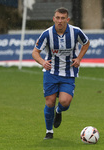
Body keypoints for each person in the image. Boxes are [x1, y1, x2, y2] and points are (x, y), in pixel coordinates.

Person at [32, 7, 90, 139]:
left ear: (67, 20)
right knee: (50, 101)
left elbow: (86, 43)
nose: (60, 21)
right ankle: (49, 131)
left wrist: (79, 58)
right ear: (54, 19)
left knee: (65, 102)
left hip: (69, 72)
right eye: (57, 18)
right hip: (51, 72)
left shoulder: (76, 32)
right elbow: (35, 52)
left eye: (63, 18)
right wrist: (42, 62)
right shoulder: (47, 34)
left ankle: (59, 111)